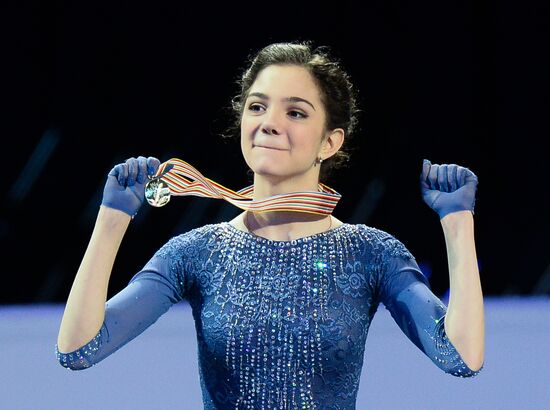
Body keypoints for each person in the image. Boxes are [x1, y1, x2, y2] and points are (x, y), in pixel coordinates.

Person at [56, 41, 485, 409]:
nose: (270, 122)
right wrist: (112, 219)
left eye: (296, 113)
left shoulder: (371, 253)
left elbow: (461, 356)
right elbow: (79, 348)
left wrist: (458, 223)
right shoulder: (196, 253)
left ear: (330, 141)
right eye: (257, 106)